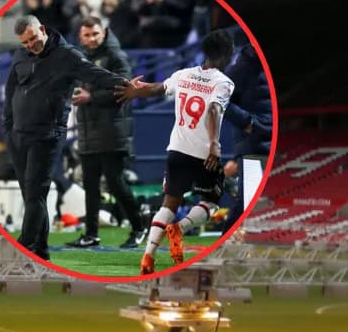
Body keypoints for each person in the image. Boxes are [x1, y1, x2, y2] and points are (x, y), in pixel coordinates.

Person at [2, 14, 131, 260]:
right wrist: (8, 127)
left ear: (42, 29)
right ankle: (41, 251)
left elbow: (95, 74)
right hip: (19, 134)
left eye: (32, 39)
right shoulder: (20, 55)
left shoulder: (67, 55)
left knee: (36, 192)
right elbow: (11, 90)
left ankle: (23, 246)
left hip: (47, 134)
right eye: (24, 43)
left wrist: (126, 85)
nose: (30, 45)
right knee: (31, 196)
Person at [116, 29, 236, 275]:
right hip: (204, 153)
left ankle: (148, 257)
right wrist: (214, 143)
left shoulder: (183, 74)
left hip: (176, 150)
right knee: (210, 203)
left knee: (168, 204)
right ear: (226, 55)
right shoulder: (224, 82)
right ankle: (179, 228)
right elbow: (213, 109)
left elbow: (158, 88)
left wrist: (134, 91)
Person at [65, 16, 147, 249]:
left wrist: (91, 98)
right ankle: (91, 234)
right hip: (88, 131)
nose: (91, 39)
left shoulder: (115, 56)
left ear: (104, 32)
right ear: (80, 36)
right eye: (87, 35)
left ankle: (139, 227)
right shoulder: (80, 59)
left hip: (112, 130)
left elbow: (126, 89)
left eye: (95, 34)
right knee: (89, 185)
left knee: (115, 182)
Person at [221, 42, 273, 230]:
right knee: (247, 204)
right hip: (256, 143)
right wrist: (249, 123)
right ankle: (223, 247)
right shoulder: (246, 63)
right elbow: (217, 97)